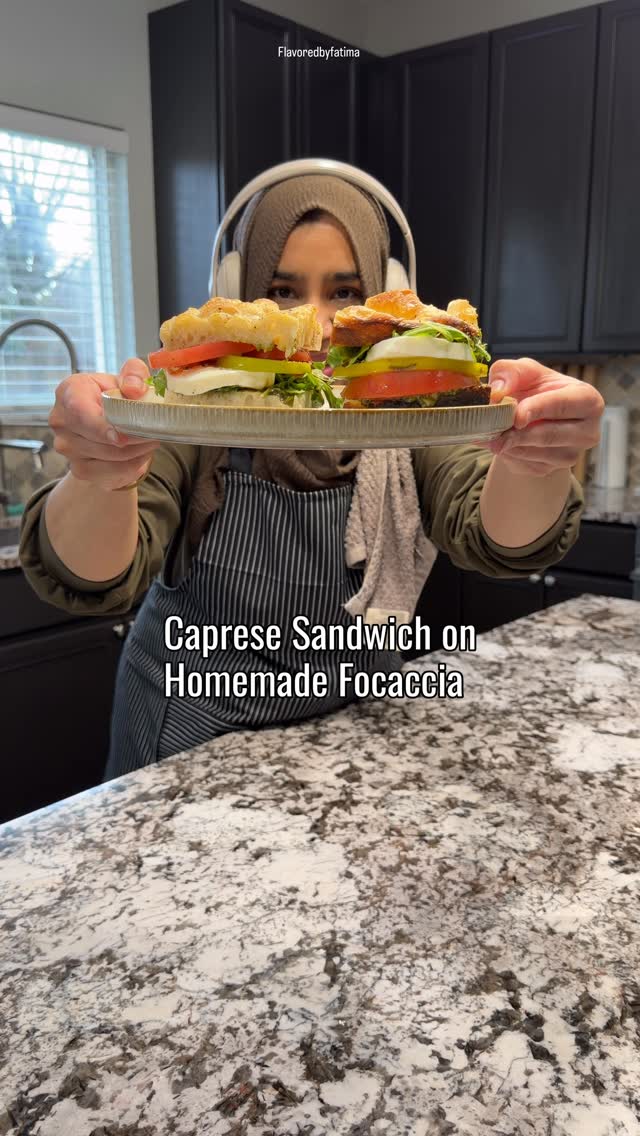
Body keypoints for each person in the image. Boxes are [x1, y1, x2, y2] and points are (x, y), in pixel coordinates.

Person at [19, 173, 603, 778]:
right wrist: (100, 472)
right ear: (240, 292)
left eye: (346, 291)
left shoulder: (413, 419)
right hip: (182, 743)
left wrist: (534, 459)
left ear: (385, 295)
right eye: (282, 290)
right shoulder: (196, 415)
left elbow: (501, 534)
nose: (319, 322)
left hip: (340, 746)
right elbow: (93, 572)